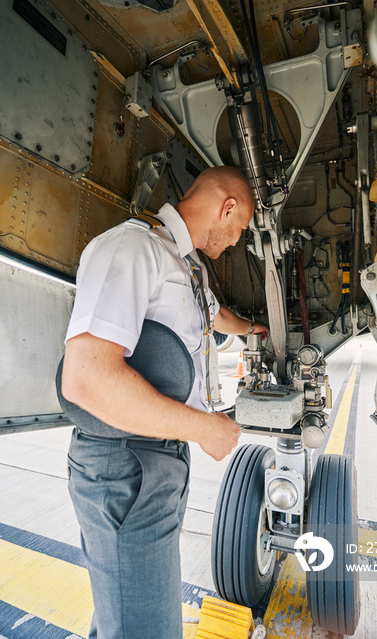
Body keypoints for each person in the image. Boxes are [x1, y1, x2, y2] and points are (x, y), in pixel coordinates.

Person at [60, 165, 269, 639]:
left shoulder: (187, 265)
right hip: (124, 465)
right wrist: (203, 427)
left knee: (127, 619)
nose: (236, 242)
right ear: (227, 207)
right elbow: (86, 379)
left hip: (158, 460)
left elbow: (214, 316)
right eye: (238, 230)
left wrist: (254, 329)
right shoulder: (131, 248)